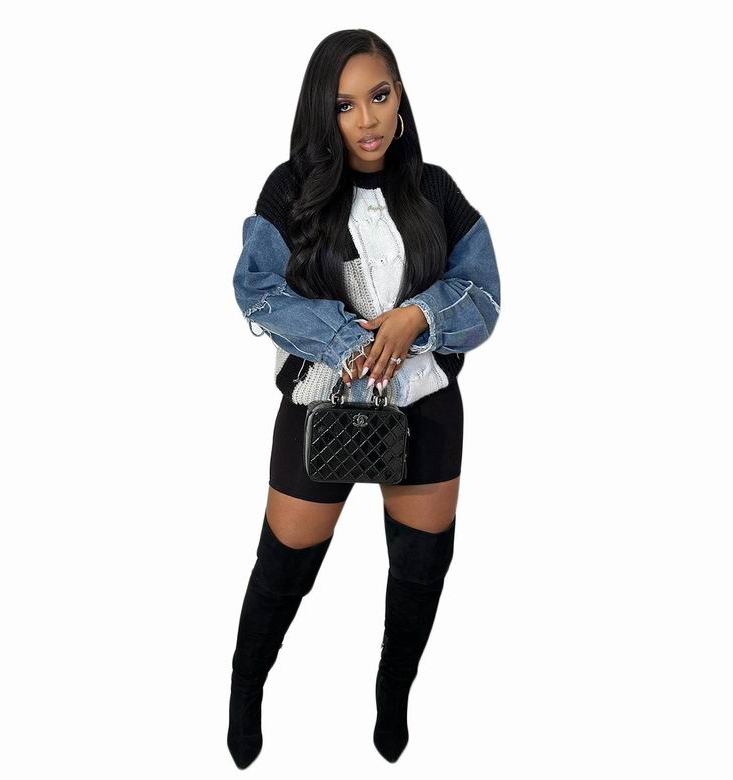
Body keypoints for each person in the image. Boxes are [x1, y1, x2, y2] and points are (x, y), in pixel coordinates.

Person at [228, 29, 501, 768]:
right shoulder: (289, 189)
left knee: (419, 571)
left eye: (379, 96)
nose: (367, 119)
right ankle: (246, 691)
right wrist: (346, 339)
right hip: (320, 403)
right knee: (284, 568)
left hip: (427, 406)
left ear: (399, 95)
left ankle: (393, 694)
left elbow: (484, 294)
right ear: (323, 112)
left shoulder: (434, 190)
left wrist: (419, 316)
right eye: (344, 105)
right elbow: (256, 288)